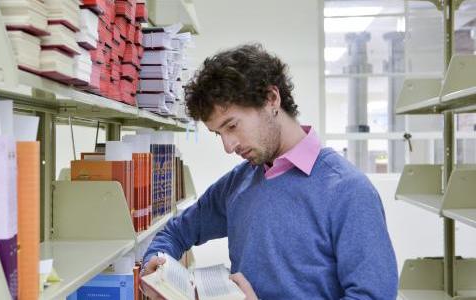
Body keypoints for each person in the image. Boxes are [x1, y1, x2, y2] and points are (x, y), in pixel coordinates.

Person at [141, 43, 398, 299]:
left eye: (232, 126)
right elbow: (175, 231)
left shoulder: (348, 190)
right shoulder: (238, 183)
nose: (228, 147)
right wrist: (155, 262)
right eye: (218, 134)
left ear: (271, 99)